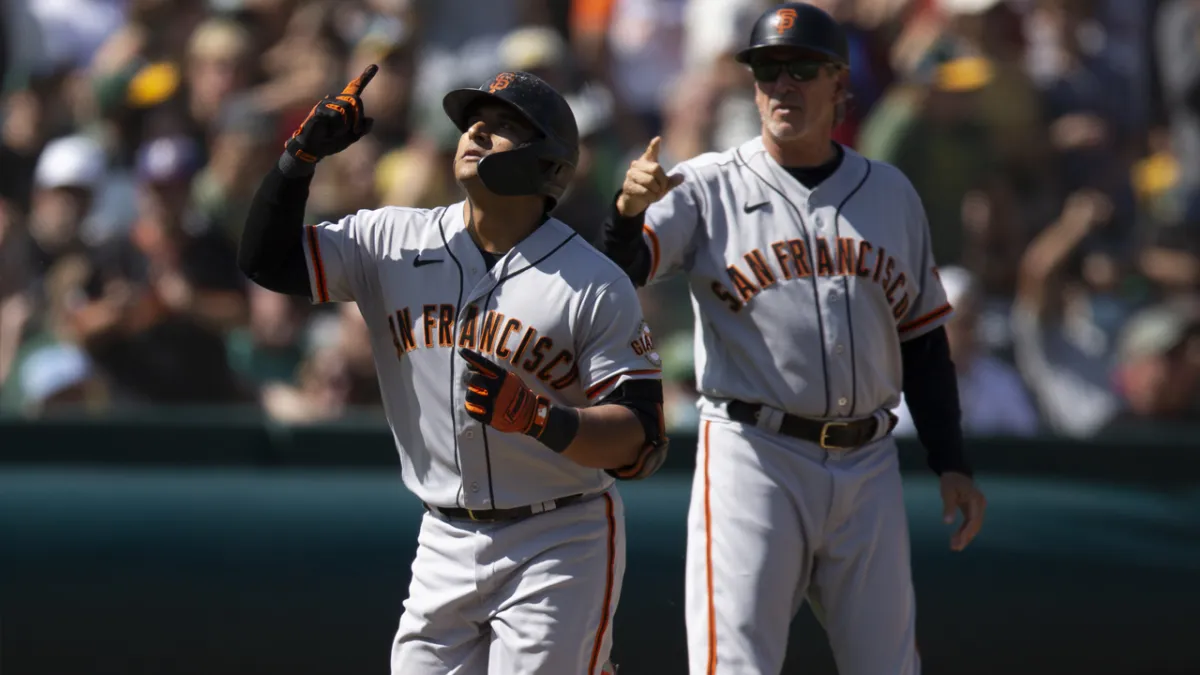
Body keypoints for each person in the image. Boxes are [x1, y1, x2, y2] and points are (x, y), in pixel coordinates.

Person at [238, 65, 668, 675]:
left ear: (550, 165)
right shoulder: (391, 239)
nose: (476, 134)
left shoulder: (593, 282)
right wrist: (299, 159)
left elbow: (642, 439)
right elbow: (267, 261)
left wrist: (540, 418)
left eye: (503, 128)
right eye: (473, 123)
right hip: (442, 536)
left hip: (559, 536)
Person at [598, 4, 987, 674]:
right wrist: (627, 213)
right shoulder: (706, 184)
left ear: (839, 83)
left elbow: (923, 340)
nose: (782, 85)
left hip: (868, 460)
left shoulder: (890, 192)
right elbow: (624, 265)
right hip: (756, 453)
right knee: (736, 664)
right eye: (767, 70)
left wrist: (950, 458)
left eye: (801, 69)